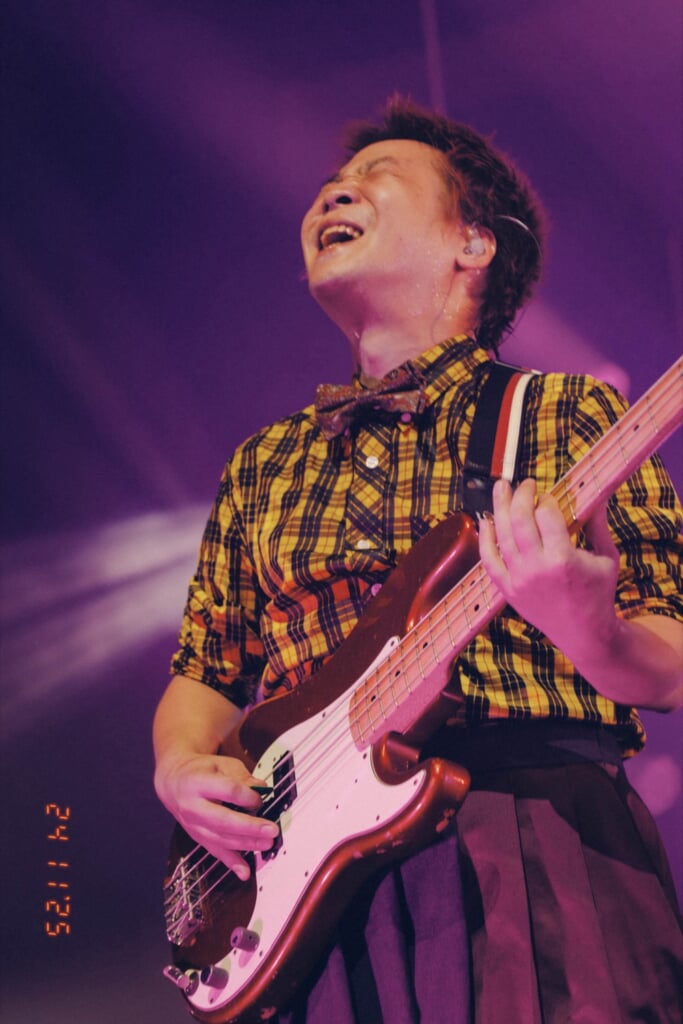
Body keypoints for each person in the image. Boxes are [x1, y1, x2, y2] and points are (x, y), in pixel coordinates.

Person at [153, 97, 683, 1023]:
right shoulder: (263, 462)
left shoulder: (558, 412)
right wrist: (179, 767)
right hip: (309, 895)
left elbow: (669, 664)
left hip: (527, 836)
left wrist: (585, 626)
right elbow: (205, 672)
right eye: (329, 186)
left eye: (374, 177)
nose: (333, 193)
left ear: (472, 243)